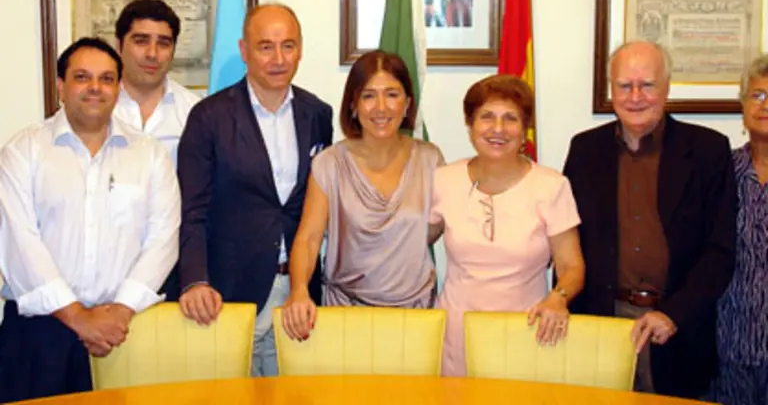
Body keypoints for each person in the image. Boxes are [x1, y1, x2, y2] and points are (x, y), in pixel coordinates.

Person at [0, 37, 180, 402]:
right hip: (39, 334)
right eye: (82, 77)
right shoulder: (23, 151)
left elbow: (164, 238)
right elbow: (20, 242)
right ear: (61, 87)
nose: (95, 88)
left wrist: (121, 311)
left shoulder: (149, 155)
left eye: (107, 78)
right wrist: (78, 316)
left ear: (118, 87)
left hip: (125, 331)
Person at [563, 40, 737, 398]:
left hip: (676, 328)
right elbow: (569, 241)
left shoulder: (708, 150)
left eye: (648, 85)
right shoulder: (584, 150)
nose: (636, 96)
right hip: (602, 323)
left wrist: (674, 314)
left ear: (667, 87)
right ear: (611, 90)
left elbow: (720, 251)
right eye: (625, 86)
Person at [176, 4, 333, 377]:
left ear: (300, 49)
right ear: (244, 50)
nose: (278, 59)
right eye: (265, 47)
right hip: (226, 292)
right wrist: (195, 279)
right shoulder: (208, 117)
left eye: (288, 46)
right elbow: (191, 209)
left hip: (297, 293)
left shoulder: (318, 114)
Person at [280, 50, 445, 341]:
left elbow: (440, 227)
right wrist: (298, 292)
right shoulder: (330, 163)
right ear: (353, 105)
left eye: (392, 94)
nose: (381, 107)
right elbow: (308, 238)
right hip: (346, 315)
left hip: (416, 318)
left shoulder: (430, 160)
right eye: (369, 96)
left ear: (407, 104)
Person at [429, 74, 585, 376]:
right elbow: (412, 242)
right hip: (454, 335)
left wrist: (558, 297)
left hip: (527, 332)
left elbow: (572, 267)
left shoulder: (551, 186)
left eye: (510, 118)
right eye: (486, 117)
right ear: (470, 125)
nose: (498, 129)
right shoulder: (443, 180)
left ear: (525, 128)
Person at [111, 0, 199, 301]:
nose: (152, 53)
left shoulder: (196, 114)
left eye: (163, 43)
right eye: (140, 41)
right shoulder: (95, 109)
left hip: (171, 266)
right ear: (118, 44)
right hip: (102, 263)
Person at [711, 54, 768, 405]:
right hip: (727, 340)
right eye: (757, 95)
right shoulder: (720, 169)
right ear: (743, 107)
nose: (765, 105)